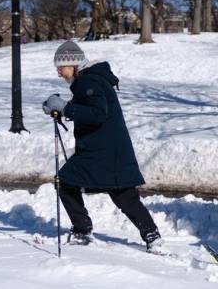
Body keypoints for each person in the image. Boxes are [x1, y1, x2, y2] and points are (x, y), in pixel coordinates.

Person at [42, 41, 163, 252]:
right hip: (108, 149)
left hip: (101, 151)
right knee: (123, 194)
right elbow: (91, 109)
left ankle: (82, 231)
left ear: (73, 64)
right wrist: (63, 109)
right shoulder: (91, 79)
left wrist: (65, 108)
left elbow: (97, 114)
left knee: (66, 183)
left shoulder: (88, 81)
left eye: (61, 67)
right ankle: (152, 235)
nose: (59, 73)